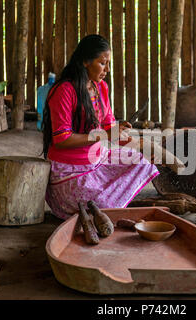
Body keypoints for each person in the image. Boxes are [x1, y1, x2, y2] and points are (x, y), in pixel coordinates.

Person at [42, 34, 159, 220]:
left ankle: (107, 207)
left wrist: (137, 143)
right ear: (85, 62)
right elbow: (62, 139)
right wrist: (103, 136)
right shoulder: (64, 90)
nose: (107, 69)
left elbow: (109, 129)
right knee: (103, 205)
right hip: (70, 173)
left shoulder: (100, 87)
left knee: (142, 163)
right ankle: (103, 207)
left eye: (108, 64)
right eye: (103, 63)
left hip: (97, 161)